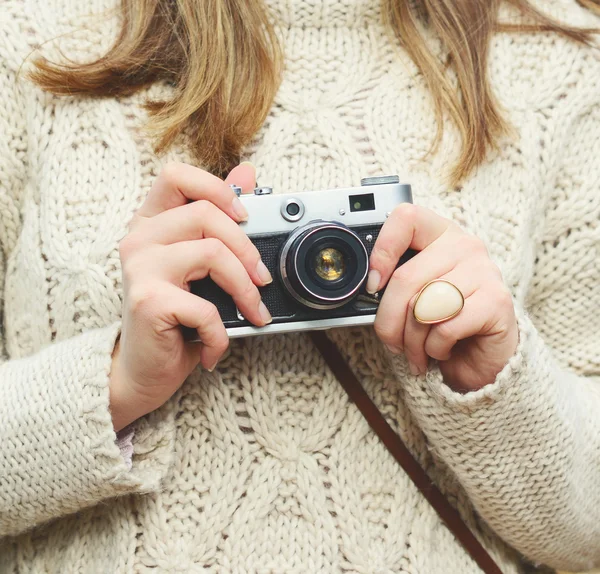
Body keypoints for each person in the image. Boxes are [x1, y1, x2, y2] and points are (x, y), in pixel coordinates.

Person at [0, 0, 599, 572]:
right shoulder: (32, 38)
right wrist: (117, 384)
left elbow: (589, 533)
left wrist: (496, 381)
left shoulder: (561, 60)